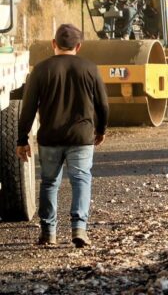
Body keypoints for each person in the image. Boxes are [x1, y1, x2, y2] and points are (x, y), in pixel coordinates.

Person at [16, 24, 109, 248]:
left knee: (49, 183)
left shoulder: (40, 69)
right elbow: (103, 104)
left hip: (50, 137)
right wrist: (101, 129)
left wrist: (22, 139)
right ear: (79, 46)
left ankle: (49, 233)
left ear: (53, 44)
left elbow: (28, 107)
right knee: (81, 180)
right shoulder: (90, 68)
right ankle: (79, 229)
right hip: (81, 136)